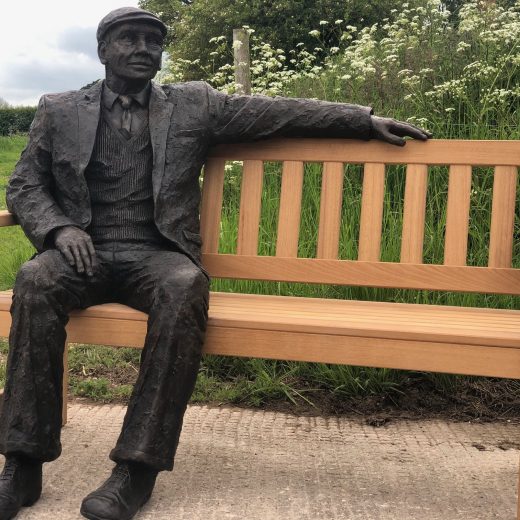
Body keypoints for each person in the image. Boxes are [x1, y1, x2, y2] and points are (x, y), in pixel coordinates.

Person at [0, 7, 430, 520]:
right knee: (34, 279)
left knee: (184, 287)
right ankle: (22, 465)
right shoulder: (60, 108)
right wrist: (58, 229)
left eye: (153, 41)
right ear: (102, 50)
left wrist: (360, 119)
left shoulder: (193, 105)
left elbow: (280, 112)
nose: (143, 48)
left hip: (157, 256)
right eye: (129, 39)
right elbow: (26, 183)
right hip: (81, 252)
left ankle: (136, 471)